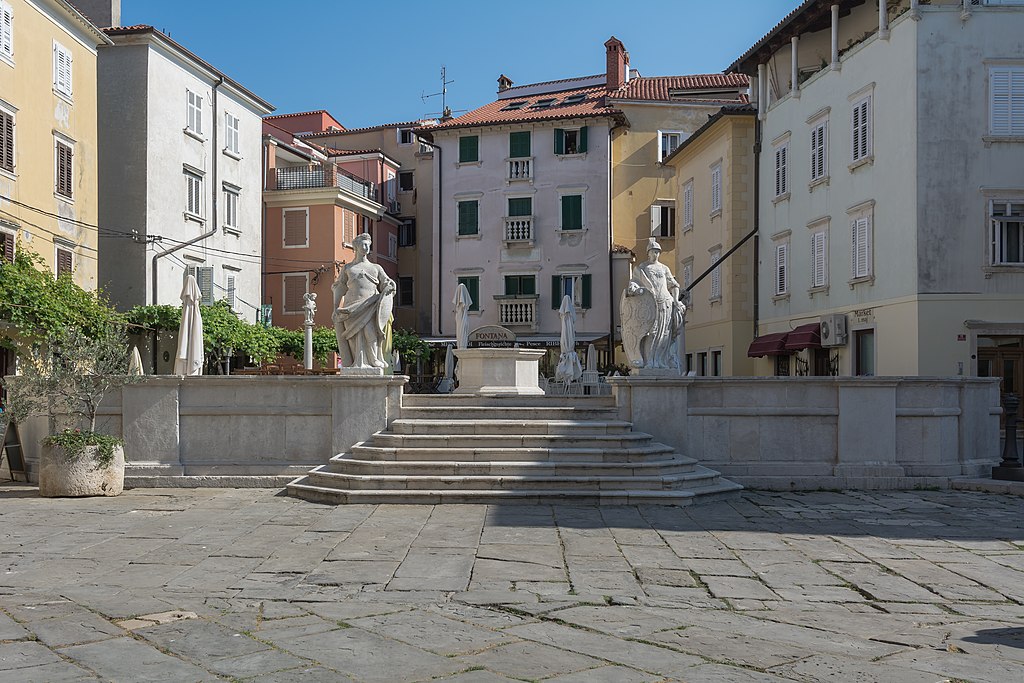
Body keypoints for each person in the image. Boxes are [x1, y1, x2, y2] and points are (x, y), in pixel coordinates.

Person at [332, 233, 395, 369]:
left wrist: (390, 285)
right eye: (363, 244)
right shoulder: (348, 268)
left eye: (368, 245)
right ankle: (357, 362)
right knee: (353, 336)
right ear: (356, 247)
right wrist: (335, 307)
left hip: (370, 305)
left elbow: (386, 284)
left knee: (371, 333)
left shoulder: (376, 268)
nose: (366, 247)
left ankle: (373, 360)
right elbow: (340, 287)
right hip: (351, 308)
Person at [623, 237, 686, 370]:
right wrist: (633, 288)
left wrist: (675, 299)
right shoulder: (642, 268)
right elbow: (634, 281)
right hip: (649, 305)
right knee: (650, 333)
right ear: (648, 252)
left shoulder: (664, 268)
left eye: (657, 251)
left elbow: (673, 285)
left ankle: (661, 362)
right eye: (653, 251)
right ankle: (649, 361)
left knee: (665, 334)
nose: (655, 254)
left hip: (665, 303)